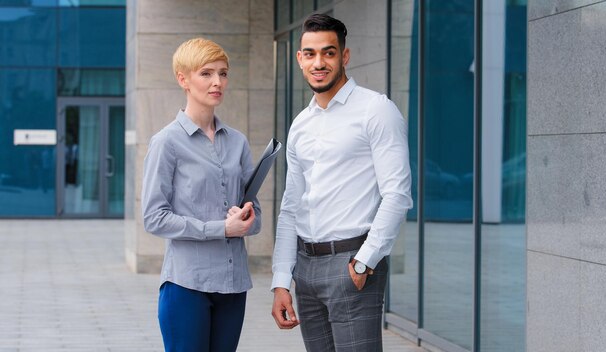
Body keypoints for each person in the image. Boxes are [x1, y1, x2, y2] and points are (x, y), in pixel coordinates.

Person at [270, 13, 413, 352]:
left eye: (329, 52)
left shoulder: (376, 110)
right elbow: (290, 206)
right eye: (310, 53)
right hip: (305, 269)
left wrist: (365, 261)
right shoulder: (300, 124)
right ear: (300, 59)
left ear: (344, 56)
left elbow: (397, 194)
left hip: (352, 262)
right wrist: (280, 281)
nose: (319, 62)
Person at [142, 37, 260, 352]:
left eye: (223, 73)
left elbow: (256, 214)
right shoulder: (166, 142)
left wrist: (247, 219)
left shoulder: (238, 142)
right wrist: (220, 228)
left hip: (233, 286)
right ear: (183, 79)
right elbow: (154, 218)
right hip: (186, 286)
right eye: (206, 73)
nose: (217, 82)